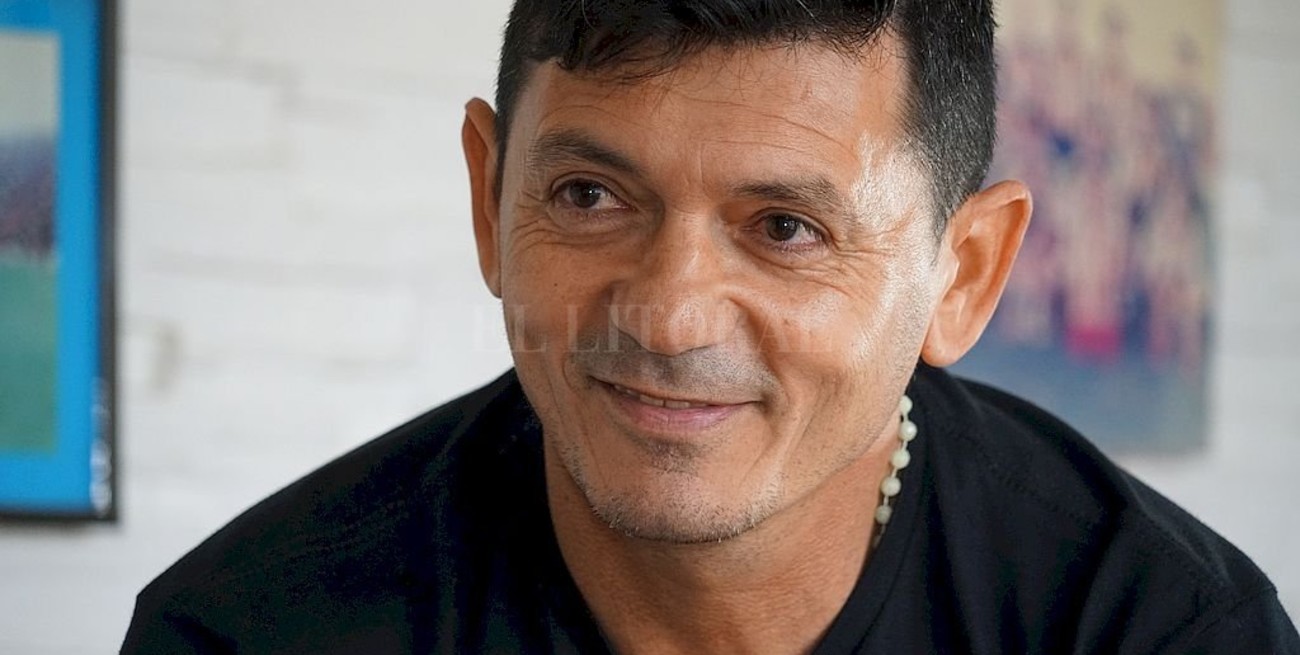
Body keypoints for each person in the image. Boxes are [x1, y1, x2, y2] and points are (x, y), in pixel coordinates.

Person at [121, 1, 1300, 653]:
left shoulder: (1156, 632)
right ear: (489, 199)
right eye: (589, 196)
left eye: (785, 226)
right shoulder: (249, 633)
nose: (669, 315)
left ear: (963, 274)